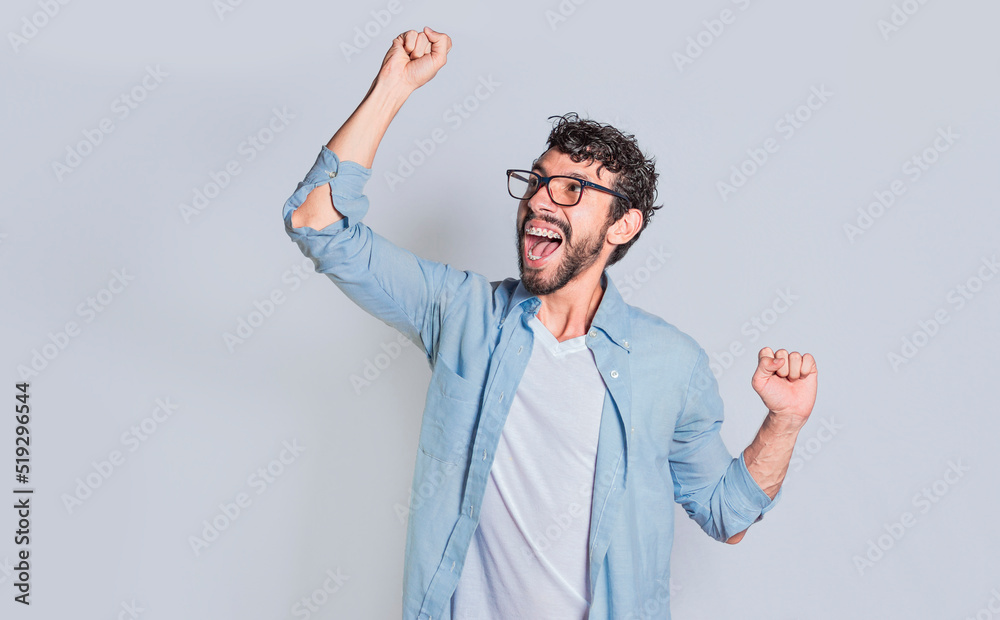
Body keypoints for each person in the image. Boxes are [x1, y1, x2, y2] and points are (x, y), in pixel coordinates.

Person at [282, 26, 818, 620]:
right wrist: (394, 86)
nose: (540, 201)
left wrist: (785, 422)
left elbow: (728, 517)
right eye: (537, 182)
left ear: (623, 226)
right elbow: (318, 223)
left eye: (571, 191)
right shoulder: (463, 316)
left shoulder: (671, 364)